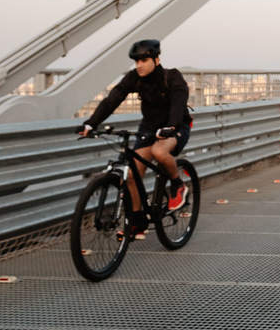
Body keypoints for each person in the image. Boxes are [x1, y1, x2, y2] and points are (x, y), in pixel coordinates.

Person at [77, 38, 193, 238]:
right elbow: (113, 99)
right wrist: (91, 123)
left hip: (176, 126)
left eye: (144, 60)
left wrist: (171, 126)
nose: (139, 65)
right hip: (149, 128)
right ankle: (138, 222)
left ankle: (177, 185)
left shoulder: (172, 77)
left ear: (156, 60)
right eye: (136, 61)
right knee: (131, 174)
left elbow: (178, 101)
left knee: (159, 151)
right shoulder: (134, 78)